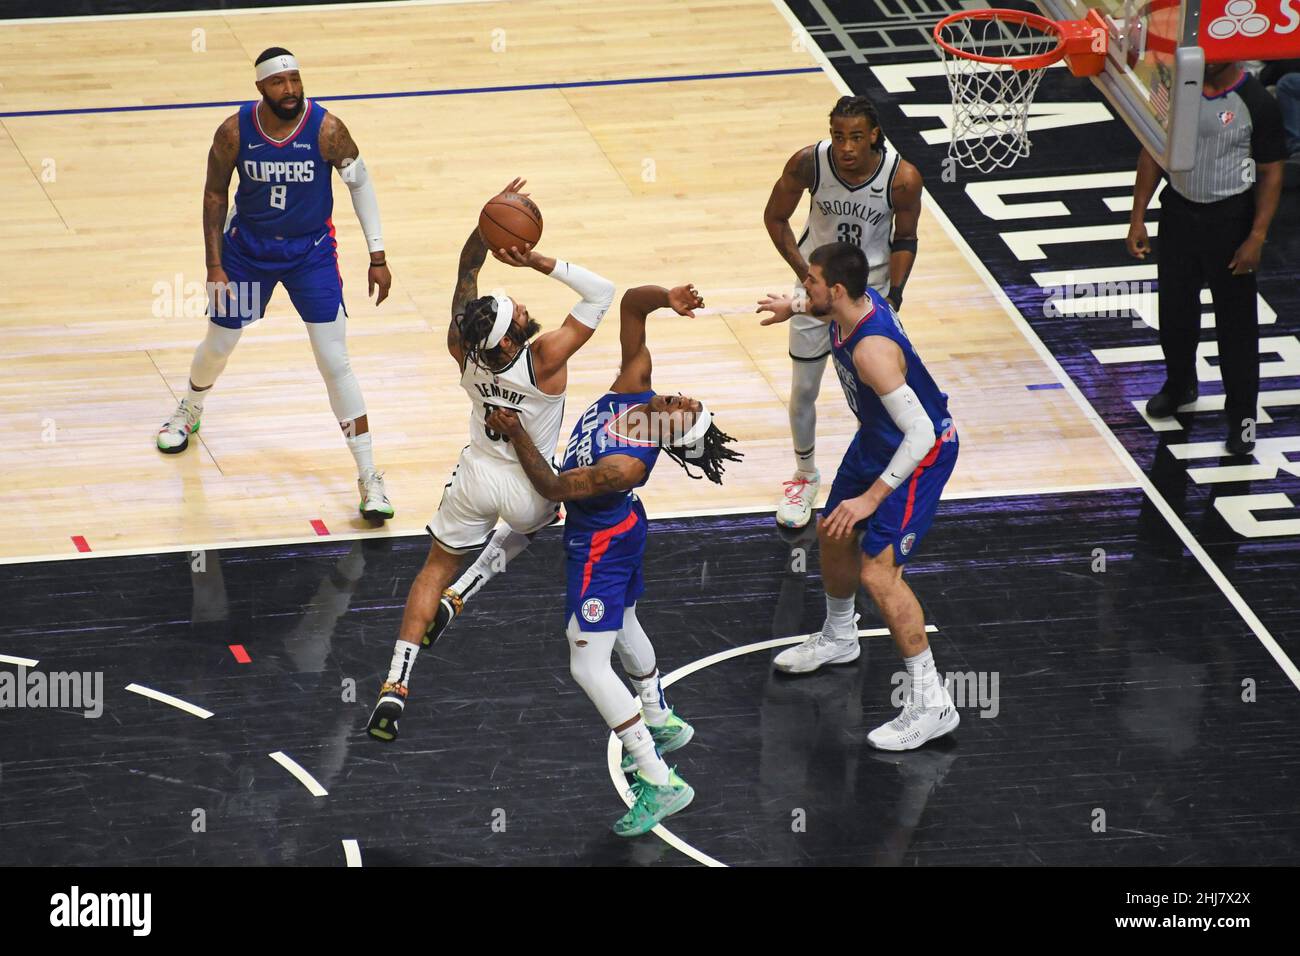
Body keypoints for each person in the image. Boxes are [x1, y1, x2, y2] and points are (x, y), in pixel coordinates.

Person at [486, 282, 742, 836]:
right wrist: (665, 296)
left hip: (601, 546)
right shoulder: (634, 387)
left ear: (670, 435)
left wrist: (516, 433)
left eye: (681, 411)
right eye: (685, 397)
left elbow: (554, 487)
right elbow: (629, 303)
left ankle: (658, 777)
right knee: (625, 621)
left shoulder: (628, 466)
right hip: (621, 531)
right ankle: (658, 713)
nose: (677, 398)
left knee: (586, 664)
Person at [367, 194, 614, 741]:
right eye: (516, 311)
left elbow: (466, 268)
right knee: (539, 518)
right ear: (507, 337)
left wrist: (487, 226)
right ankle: (469, 590)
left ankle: (394, 684)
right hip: (527, 484)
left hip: (474, 476)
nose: (523, 306)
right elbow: (603, 292)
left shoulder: (462, 343)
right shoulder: (545, 356)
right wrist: (536, 260)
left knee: (432, 567)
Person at [158, 48, 396, 521]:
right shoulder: (234, 131)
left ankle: (370, 477)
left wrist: (378, 256)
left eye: (295, 79)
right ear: (261, 89)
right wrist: (214, 264)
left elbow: (361, 184)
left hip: (310, 254)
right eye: (278, 82)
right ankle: (190, 407)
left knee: (335, 361)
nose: (290, 89)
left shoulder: (327, 129)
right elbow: (213, 193)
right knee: (221, 342)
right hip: (247, 252)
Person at [757, 242, 959, 752]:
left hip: (920, 453)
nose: (804, 290)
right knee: (832, 529)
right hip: (878, 436)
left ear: (838, 290)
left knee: (878, 572)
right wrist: (792, 306)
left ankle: (931, 701)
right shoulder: (850, 304)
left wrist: (871, 498)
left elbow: (921, 434)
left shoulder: (872, 349)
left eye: (810, 284)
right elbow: (822, 301)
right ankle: (840, 636)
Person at [763, 95, 923, 529]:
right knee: (803, 390)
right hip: (816, 291)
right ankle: (804, 475)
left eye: (855, 137)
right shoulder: (809, 163)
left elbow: (905, 239)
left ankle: (881, 476)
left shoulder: (902, 178)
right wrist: (808, 278)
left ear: (874, 135)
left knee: (875, 394)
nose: (846, 147)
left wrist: (896, 293)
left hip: (868, 297)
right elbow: (775, 218)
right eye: (838, 136)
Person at [1128, 59, 1286, 455]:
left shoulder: (1255, 101)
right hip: (1179, 212)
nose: (1203, 56)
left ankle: (1243, 420)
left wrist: (1257, 236)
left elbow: (1271, 172)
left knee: (1236, 329)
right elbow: (1150, 150)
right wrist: (1137, 218)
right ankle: (1179, 384)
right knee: (1175, 312)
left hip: (1230, 220)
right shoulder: (1173, 89)